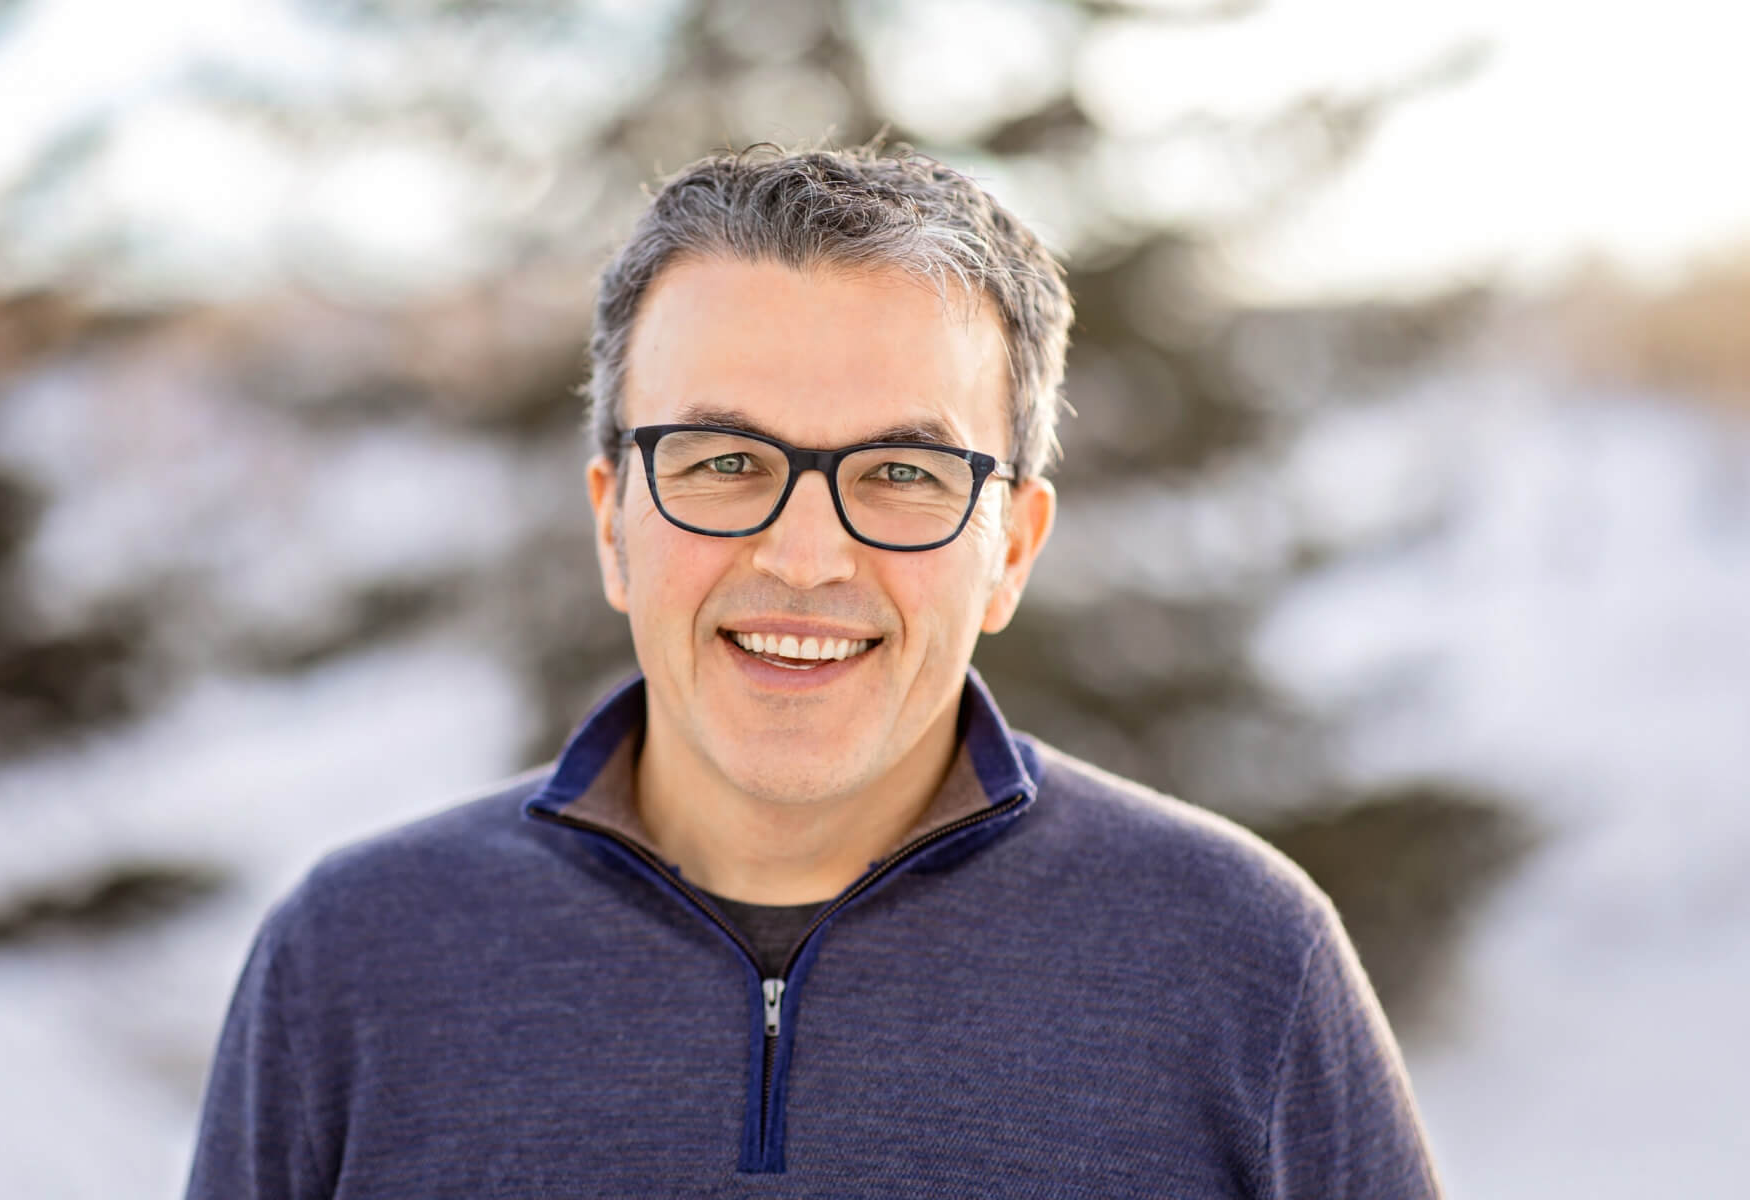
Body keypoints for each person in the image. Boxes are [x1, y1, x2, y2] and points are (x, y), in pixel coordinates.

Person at [185, 143, 1442, 1198]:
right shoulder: (354, 962)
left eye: (903, 473)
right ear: (613, 518)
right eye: (723, 460)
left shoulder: (1242, 965)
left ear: (1009, 549)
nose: (803, 555)